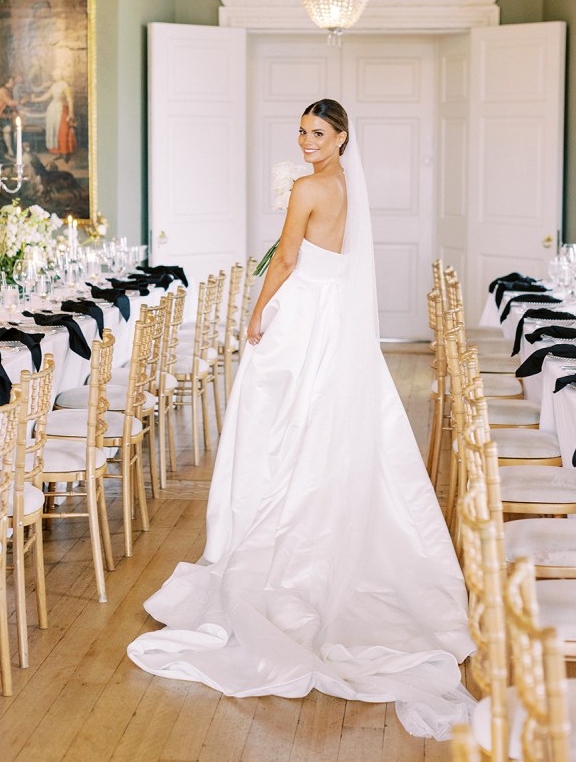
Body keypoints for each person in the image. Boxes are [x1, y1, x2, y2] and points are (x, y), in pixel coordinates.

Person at [128, 99, 473, 739]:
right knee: (321, 421)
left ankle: (267, 527)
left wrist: (255, 314)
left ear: (341, 136)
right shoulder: (342, 187)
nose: (307, 140)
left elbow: (286, 261)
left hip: (301, 315)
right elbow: (320, 257)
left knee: (271, 421)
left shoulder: (309, 186)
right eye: (302, 132)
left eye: (318, 132)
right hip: (332, 316)